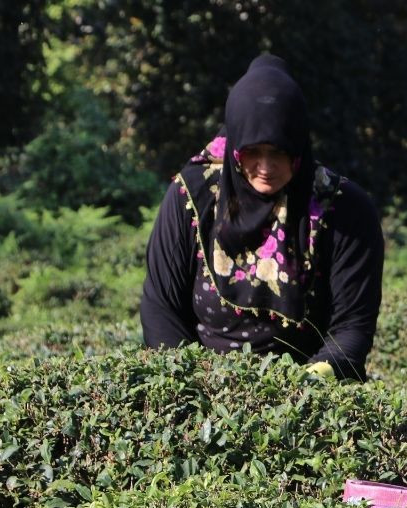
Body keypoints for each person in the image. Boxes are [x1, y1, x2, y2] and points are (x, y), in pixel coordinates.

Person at [141, 54, 384, 380]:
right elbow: (161, 307)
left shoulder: (344, 210)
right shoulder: (193, 196)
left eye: (279, 152)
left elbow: (353, 328)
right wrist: (193, 388)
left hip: (311, 395)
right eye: (253, 152)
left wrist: (297, 394)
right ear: (234, 148)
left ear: (299, 148)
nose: (266, 168)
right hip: (203, 388)